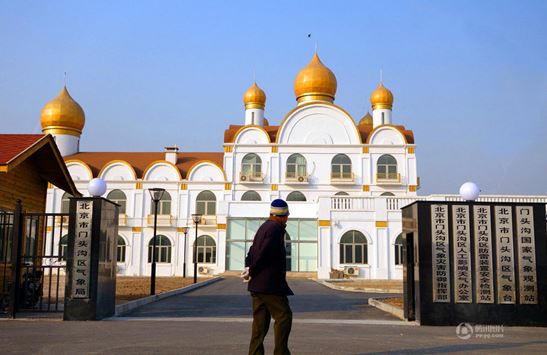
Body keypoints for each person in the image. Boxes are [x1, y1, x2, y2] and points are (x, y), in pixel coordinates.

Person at [243, 199, 293, 355]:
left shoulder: (263, 227)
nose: (287, 219)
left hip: (257, 285)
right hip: (269, 285)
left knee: (260, 324)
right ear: (282, 216)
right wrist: (251, 270)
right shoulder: (274, 229)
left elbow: (252, 250)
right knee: (284, 316)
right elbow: (263, 253)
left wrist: (248, 267)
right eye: (286, 216)